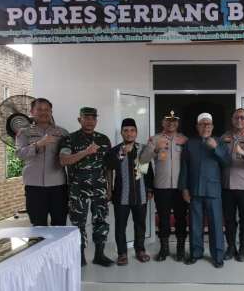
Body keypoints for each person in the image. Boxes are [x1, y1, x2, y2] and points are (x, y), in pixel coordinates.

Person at [59, 107, 113, 267]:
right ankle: (80, 256)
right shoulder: (69, 139)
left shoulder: (103, 139)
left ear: (96, 120)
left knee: (101, 221)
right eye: (86, 118)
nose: (90, 121)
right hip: (78, 189)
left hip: (99, 188)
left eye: (93, 118)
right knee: (78, 223)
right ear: (79, 119)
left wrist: (109, 187)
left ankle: (99, 255)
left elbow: (108, 167)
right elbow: (63, 160)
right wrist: (86, 152)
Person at [179, 113, 231, 268]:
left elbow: (227, 163)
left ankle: (218, 256)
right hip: (194, 190)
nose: (206, 127)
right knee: (195, 224)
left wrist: (216, 148)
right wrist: (184, 188)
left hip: (213, 190)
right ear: (197, 127)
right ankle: (196, 253)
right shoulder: (190, 143)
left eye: (208, 124)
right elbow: (184, 167)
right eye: (202, 124)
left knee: (216, 224)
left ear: (212, 126)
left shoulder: (219, 142)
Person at [140, 111, 188, 261]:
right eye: (168, 120)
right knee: (163, 219)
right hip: (161, 186)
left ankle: (180, 249)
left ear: (177, 123)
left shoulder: (184, 139)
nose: (171, 123)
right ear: (163, 123)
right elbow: (142, 160)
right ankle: (164, 249)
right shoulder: (154, 139)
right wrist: (155, 149)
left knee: (181, 219)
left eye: (174, 121)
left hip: (180, 187)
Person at [106, 118, 154, 265]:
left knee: (140, 224)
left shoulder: (143, 149)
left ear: (136, 132)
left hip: (141, 194)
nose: (129, 133)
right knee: (120, 226)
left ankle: (140, 250)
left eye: (132, 130)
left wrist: (150, 189)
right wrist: (109, 190)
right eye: (126, 130)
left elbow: (148, 171)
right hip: (121, 195)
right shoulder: (114, 150)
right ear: (121, 133)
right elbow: (109, 168)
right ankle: (122, 254)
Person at [15, 98, 68, 227]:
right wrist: (38, 144)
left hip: (58, 185)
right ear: (32, 112)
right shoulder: (24, 132)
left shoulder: (62, 133)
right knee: (38, 226)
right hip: (34, 187)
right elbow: (20, 154)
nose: (43, 112)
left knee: (59, 225)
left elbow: (67, 156)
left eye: (47, 109)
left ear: (51, 112)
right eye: (39, 109)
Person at [220, 108, 244, 262]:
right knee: (229, 219)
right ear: (232, 119)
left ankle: (243, 248)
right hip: (227, 185)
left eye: (243, 118)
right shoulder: (224, 137)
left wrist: (243, 153)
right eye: (237, 117)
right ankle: (231, 247)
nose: (239, 120)